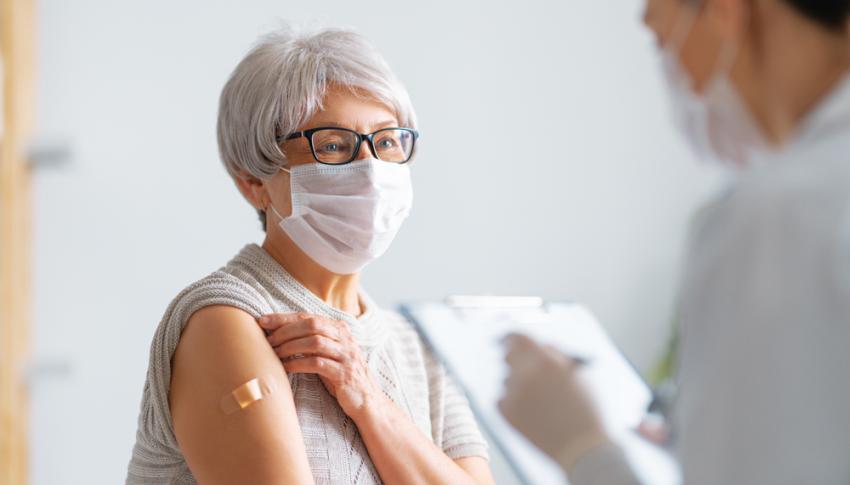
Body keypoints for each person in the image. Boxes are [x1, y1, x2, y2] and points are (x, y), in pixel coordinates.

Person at [499, 0, 850, 484]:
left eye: (664, 43)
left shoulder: (781, 220)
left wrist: (581, 447)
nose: (677, 78)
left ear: (726, 14)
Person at [126, 27, 494, 485]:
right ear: (253, 181)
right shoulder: (230, 322)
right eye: (334, 145)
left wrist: (368, 400)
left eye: (388, 141)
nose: (372, 172)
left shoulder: (418, 346)